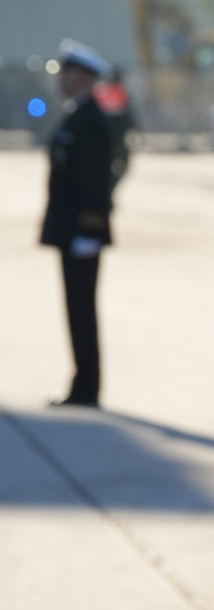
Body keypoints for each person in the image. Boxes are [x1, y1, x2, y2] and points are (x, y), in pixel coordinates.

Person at [42, 40, 122, 408]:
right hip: (70, 230)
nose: (61, 79)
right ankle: (82, 383)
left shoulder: (90, 120)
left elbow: (96, 182)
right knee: (75, 309)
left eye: (67, 73)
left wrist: (90, 230)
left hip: (81, 232)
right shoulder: (77, 115)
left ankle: (86, 388)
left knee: (82, 310)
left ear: (83, 77)